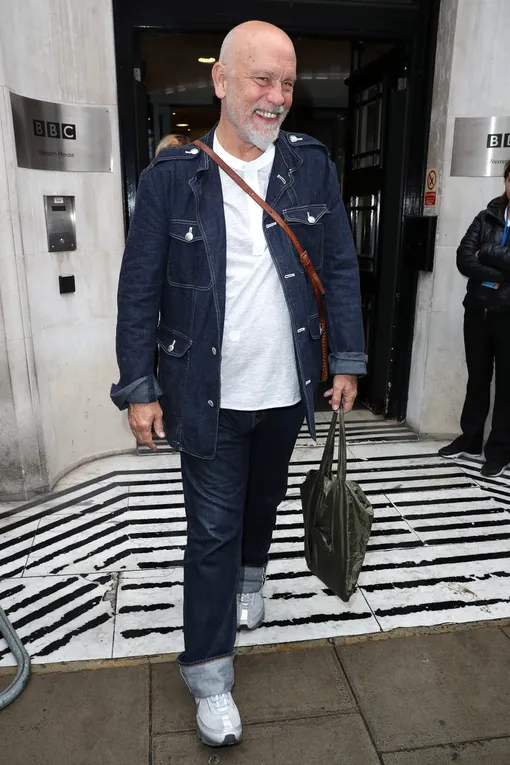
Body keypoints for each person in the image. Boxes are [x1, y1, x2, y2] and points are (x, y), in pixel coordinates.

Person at [111, 20, 366, 748]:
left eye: (287, 83)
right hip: (205, 395)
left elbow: (340, 268)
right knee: (212, 532)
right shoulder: (170, 180)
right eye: (262, 78)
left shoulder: (311, 166)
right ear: (221, 80)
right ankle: (210, 674)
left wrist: (344, 359)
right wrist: (138, 386)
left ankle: (254, 579)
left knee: (265, 500)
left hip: (286, 392)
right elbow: (138, 293)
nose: (276, 96)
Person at [439, 159, 510, 477]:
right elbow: (464, 258)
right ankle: (470, 439)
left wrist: (488, 252)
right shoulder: (487, 216)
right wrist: (499, 271)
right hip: (478, 310)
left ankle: (499, 452)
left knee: (507, 386)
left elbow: (480, 254)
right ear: (506, 180)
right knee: (477, 379)